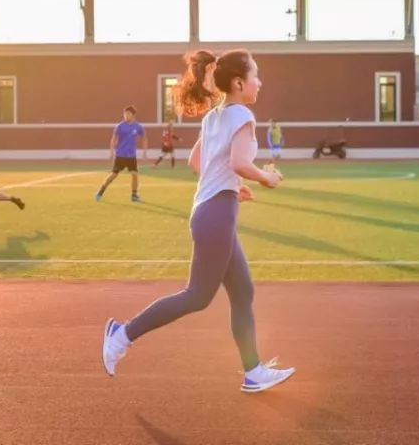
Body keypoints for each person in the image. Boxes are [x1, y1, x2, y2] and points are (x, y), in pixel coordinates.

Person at [101, 49, 295, 394]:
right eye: (255, 75)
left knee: (242, 291)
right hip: (215, 217)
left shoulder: (214, 116)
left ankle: (253, 372)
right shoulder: (243, 117)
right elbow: (237, 162)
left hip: (213, 211)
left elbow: (197, 162)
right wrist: (266, 177)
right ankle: (122, 334)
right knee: (197, 296)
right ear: (239, 82)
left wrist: (233, 189)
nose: (259, 82)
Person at [95, 106, 147, 202]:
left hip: (131, 156)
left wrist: (144, 153)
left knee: (135, 175)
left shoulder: (138, 126)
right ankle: (100, 191)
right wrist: (111, 152)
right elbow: (113, 139)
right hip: (120, 155)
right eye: (125, 114)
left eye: (128, 114)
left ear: (133, 115)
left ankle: (134, 195)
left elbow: (144, 138)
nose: (126, 116)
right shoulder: (120, 126)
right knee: (113, 175)